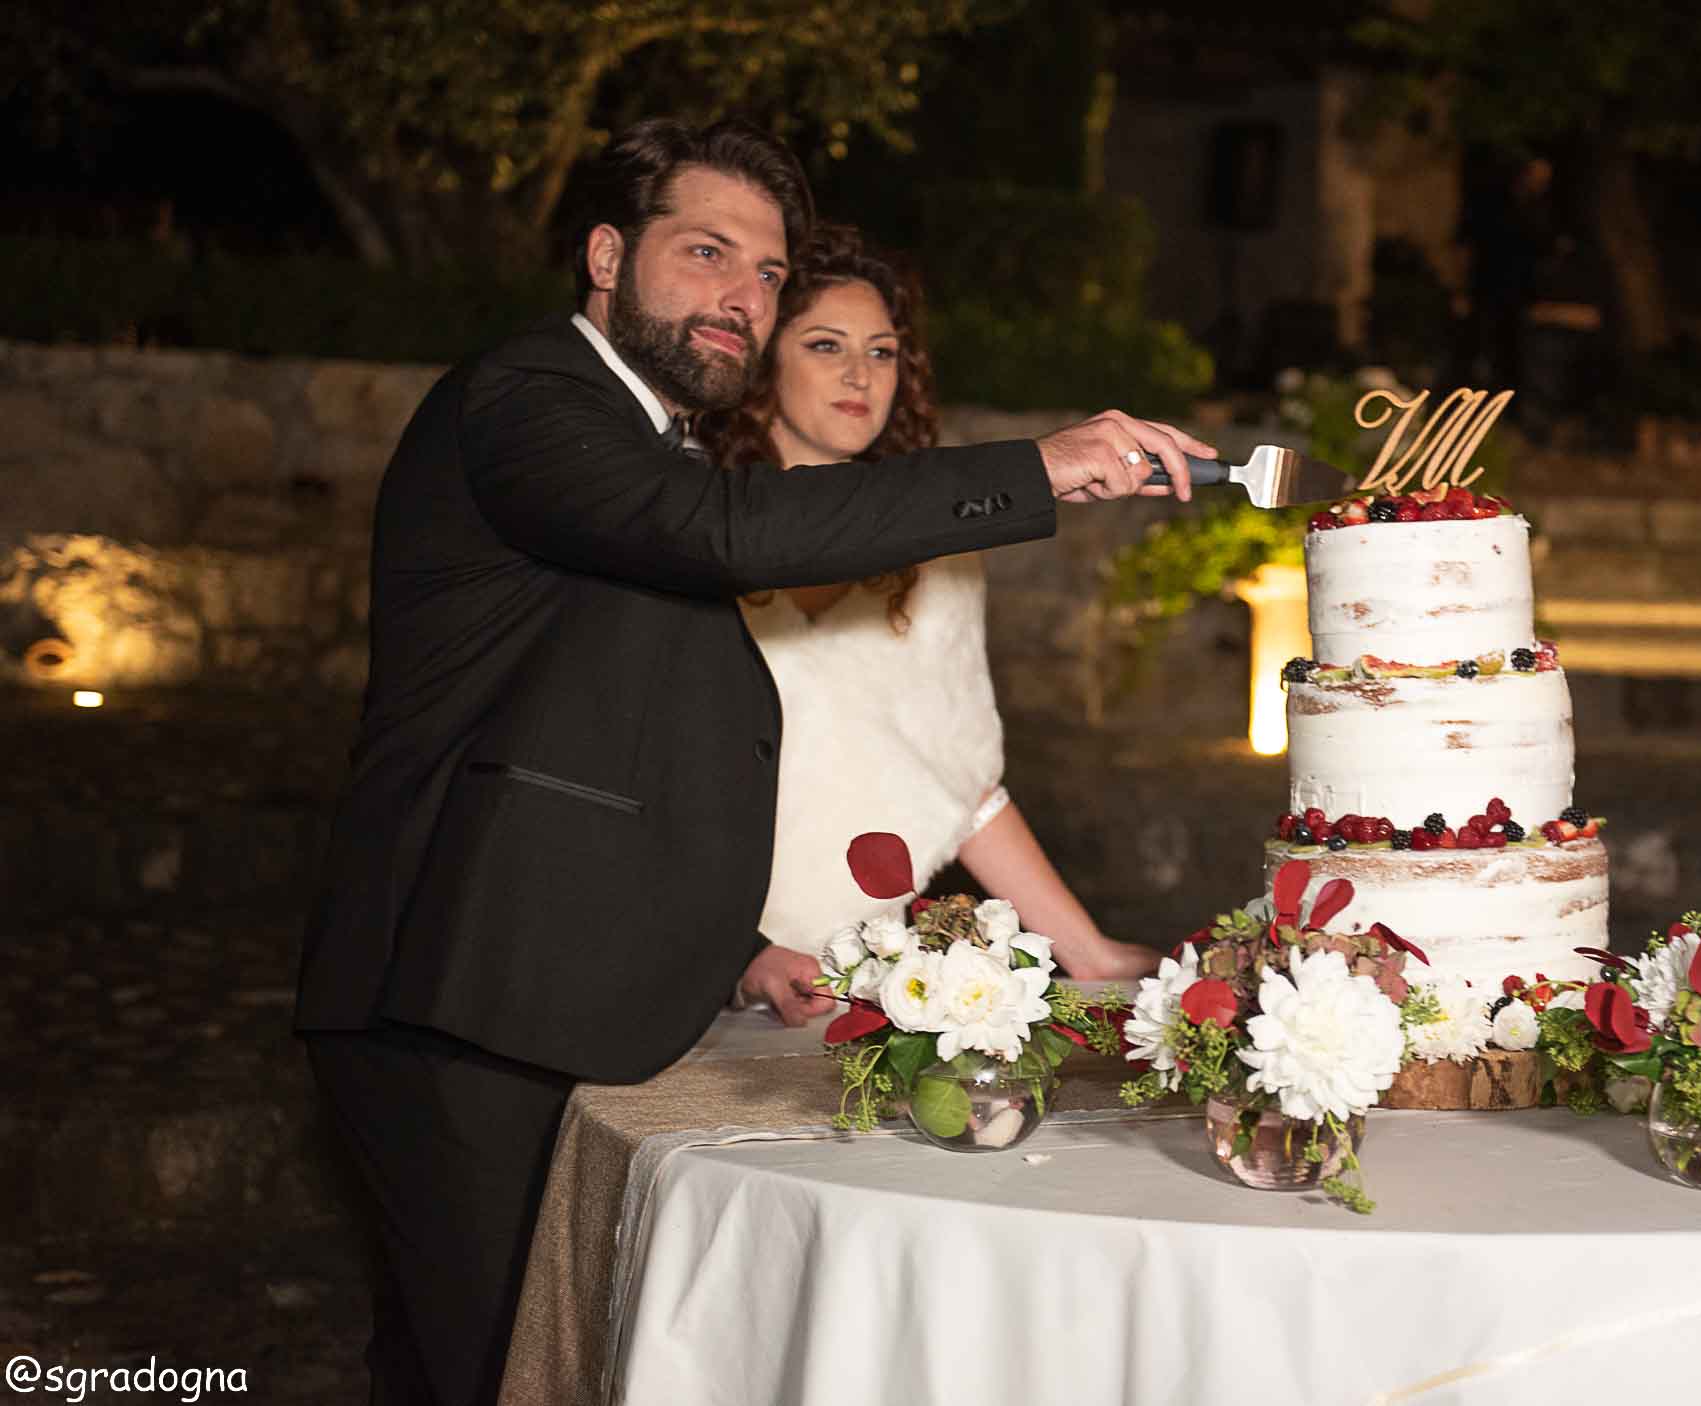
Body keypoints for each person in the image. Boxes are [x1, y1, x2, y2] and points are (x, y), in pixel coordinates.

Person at [293, 117, 1211, 1406]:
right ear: (606, 256)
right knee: (495, 1368)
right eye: (706, 251)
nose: (741, 296)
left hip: (548, 983)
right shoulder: (529, 395)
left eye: (766, 272)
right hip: (458, 989)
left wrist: (730, 944)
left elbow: (600, 736)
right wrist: (1036, 468)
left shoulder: (640, 443)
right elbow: (719, 528)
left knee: (518, 1362)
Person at [702, 225, 1160, 979]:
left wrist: (1089, 952)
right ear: (761, 362)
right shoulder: (690, 523)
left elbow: (961, 777)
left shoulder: (942, 550)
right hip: (690, 953)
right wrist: (736, 955)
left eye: (881, 351)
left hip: (851, 969)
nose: (860, 375)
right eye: (825, 345)